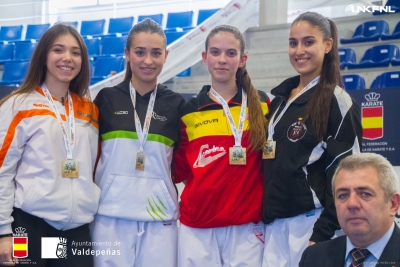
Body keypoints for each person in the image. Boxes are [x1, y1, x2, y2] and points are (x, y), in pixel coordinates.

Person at [261, 12, 362, 267]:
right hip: (274, 226)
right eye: (293, 43)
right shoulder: (279, 101)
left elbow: (347, 173)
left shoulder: (336, 101)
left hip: (311, 226)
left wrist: (322, 233)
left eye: (308, 42)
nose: (299, 50)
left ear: (327, 45)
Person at [0, 23, 100, 266]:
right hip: (30, 226)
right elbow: (2, 171)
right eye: (58, 50)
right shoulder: (18, 105)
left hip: (76, 230)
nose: (68, 58)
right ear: (44, 56)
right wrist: (3, 231)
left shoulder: (89, 110)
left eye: (75, 53)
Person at [90, 18, 185, 267]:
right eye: (140, 52)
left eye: (156, 53)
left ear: (166, 55)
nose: (148, 61)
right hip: (110, 215)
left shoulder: (176, 104)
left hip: (160, 217)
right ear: (127, 54)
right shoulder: (106, 99)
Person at [173, 25, 269, 267]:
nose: (222, 60)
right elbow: (182, 170)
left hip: (248, 227)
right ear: (204, 58)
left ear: (242, 59)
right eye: (215, 52)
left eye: (231, 53)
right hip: (198, 226)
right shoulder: (189, 111)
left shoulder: (264, 104)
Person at [299, 153, 400, 267]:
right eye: (343, 195)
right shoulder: (313, 257)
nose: (351, 204)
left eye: (365, 194)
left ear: (393, 204)